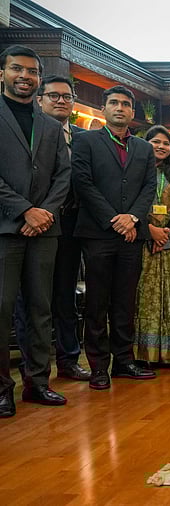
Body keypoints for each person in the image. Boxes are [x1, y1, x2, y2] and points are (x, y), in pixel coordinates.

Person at [0, 45, 71, 416]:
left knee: (41, 308)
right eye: (16, 68)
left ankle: (38, 383)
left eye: (31, 71)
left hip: (45, 229)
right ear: (3, 73)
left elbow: (64, 175)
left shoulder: (50, 124)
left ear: (39, 78)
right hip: (5, 228)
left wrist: (43, 213)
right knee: (1, 308)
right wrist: (25, 210)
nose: (24, 76)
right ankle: (1, 389)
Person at [72, 85, 157, 390]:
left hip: (132, 235)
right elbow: (83, 183)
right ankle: (98, 366)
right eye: (114, 103)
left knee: (125, 301)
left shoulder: (144, 149)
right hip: (97, 233)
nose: (120, 108)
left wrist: (132, 217)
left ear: (133, 112)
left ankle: (124, 360)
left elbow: (149, 188)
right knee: (97, 302)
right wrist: (114, 219)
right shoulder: (86, 141)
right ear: (104, 109)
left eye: (125, 104)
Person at [35, 74, 89, 381]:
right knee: (33, 297)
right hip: (34, 225)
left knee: (65, 294)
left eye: (66, 96)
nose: (60, 101)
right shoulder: (29, 133)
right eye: (53, 96)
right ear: (40, 100)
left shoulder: (84, 138)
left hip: (72, 226)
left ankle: (68, 360)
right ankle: (37, 368)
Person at [134, 126, 170, 365]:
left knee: (167, 289)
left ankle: (165, 352)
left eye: (166, 143)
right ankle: (140, 352)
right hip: (139, 236)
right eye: (155, 142)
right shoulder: (135, 171)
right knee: (141, 291)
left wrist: (165, 232)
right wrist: (149, 232)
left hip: (169, 237)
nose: (160, 147)